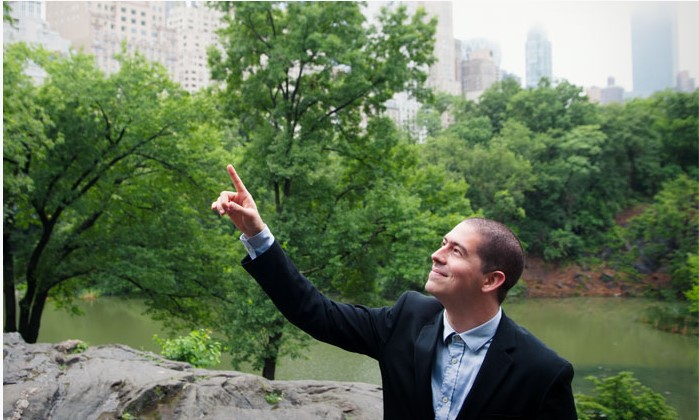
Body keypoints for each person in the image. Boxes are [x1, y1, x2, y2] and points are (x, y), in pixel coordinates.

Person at [212, 164, 577, 420]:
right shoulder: (407, 319)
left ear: (491, 280)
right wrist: (258, 235)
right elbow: (313, 310)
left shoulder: (542, 372)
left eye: (456, 251)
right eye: (443, 243)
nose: (437, 255)